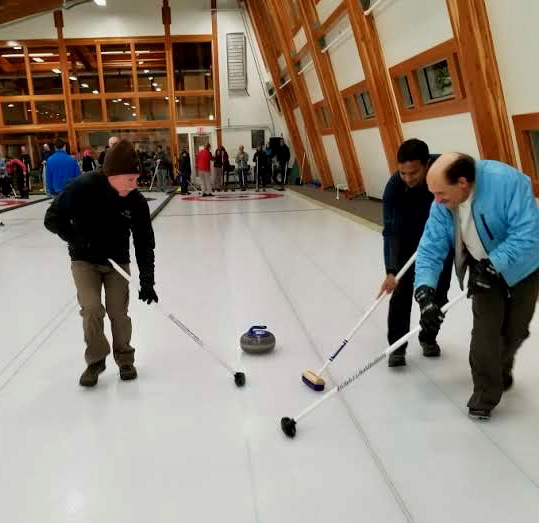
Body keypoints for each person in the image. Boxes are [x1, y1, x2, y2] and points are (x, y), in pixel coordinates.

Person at [414, 152, 539, 420]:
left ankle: (501, 366)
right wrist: (425, 292)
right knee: (485, 334)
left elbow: (528, 231)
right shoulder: (442, 203)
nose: (436, 201)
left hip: (524, 266)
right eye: (433, 194)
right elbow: (430, 247)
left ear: (462, 183)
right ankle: (484, 395)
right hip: (481, 269)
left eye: (440, 194)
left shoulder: (507, 182)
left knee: (516, 330)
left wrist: (495, 264)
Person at [44, 140, 158, 387]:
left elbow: (144, 241)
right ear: (112, 175)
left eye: (136, 178)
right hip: (84, 261)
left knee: (119, 312)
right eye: (130, 179)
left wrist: (148, 280)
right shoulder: (83, 187)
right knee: (92, 308)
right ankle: (96, 361)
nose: (134, 185)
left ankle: (125, 358)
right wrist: (77, 238)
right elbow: (51, 218)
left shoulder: (135, 201)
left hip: (117, 262)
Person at [380, 139, 453, 367]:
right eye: (403, 173)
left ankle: (428, 336)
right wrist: (391, 270)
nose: (408, 179)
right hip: (408, 240)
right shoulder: (394, 187)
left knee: (438, 294)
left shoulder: (445, 173)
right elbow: (391, 230)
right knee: (401, 293)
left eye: (413, 173)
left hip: (440, 242)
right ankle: (397, 346)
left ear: (427, 164)